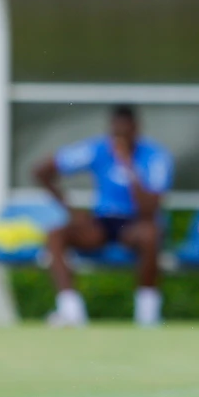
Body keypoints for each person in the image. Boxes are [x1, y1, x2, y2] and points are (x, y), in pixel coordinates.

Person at [34, 104, 173, 327]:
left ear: (136, 130)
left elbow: (150, 208)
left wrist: (128, 164)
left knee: (150, 234)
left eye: (124, 132)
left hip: (135, 224)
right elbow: (41, 171)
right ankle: (71, 311)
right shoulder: (97, 149)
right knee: (56, 235)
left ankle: (148, 315)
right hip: (104, 221)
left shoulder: (155, 157)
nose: (119, 138)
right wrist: (71, 210)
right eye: (115, 132)